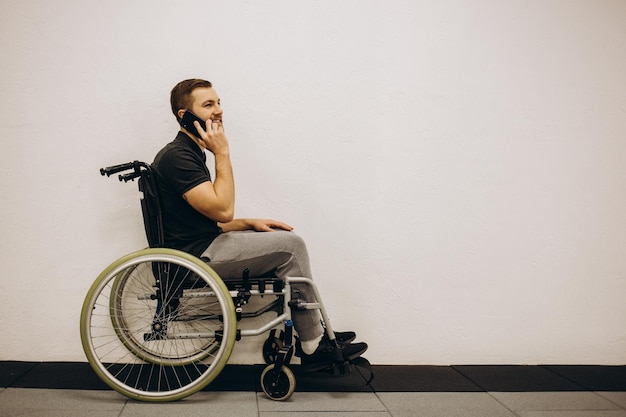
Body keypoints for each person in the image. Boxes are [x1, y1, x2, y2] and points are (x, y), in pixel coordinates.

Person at [152, 78, 367, 368]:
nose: (218, 110)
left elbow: (198, 222)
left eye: (218, 103)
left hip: (199, 245)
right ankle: (314, 344)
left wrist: (248, 223)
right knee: (291, 247)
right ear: (184, 115)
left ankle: (314, 335)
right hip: (195, 257)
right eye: (208, 105)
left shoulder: (187, 153)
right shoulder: (178, 157)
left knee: (285, 241)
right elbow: (222, 211)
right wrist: (223, 153)